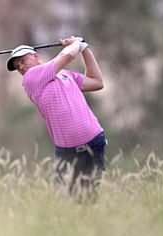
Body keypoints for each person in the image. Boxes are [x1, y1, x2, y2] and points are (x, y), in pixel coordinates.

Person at [7, 36, 107, 194]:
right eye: (17, 66)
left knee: (90, 195)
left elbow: (97, 82)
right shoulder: (31, 79)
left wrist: (84, 48)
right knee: (69, 199)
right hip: (68, 152)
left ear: (35, 56)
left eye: (22, 61)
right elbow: (67, 56)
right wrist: (76, 44)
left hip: (95, 141)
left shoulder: (66, 75)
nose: (20, 66)